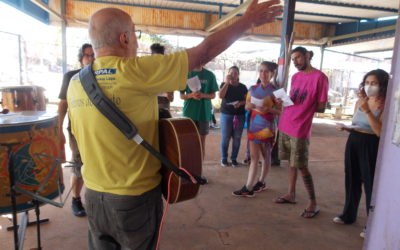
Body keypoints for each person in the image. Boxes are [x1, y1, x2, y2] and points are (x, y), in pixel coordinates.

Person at [67, 2, 282, 249]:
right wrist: (247, 22)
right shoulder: (137, 71)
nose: (137, 42)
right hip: (133, 197)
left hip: (93, 195)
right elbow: (204, 51)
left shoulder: (76, 83)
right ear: (125, 38)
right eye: (135, 34)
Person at [333, 69, 389, 238]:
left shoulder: (385, 104)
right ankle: (348, 214)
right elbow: (356, 123)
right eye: (367, 83)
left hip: (371, 144)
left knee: (370, 182)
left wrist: (367, 111)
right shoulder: (361, 101)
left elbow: (380, 131)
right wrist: (347, 127)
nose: (369, 86)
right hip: (354, 141)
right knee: (352, 178)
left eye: (374, 83)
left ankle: (370, 224)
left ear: (382, 85)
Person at [274, 47, 328, 219]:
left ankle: (313, 203)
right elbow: (292, 99)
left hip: (301, 127)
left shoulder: (320, 77)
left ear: (307, 56)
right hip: (286, 123)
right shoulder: (295, 77)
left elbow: (321, 107)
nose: (295, 62)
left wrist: (305, 105)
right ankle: (291, 194)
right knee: (291, 163)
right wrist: (283, 100)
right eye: (293, 59)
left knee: (302, 165)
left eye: (298, 57)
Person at [233, 61, 281, 197]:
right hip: (253, 125)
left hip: (267, 127)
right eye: (261, 71)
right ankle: (251, 186)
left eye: (266, 71)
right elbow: (247, 104)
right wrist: (247, 106)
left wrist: (269, 109)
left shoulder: (277, 91)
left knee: (265, 156)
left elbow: (283, 111)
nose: (263, 74)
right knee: (254, 157)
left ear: (272, 73)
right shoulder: (252, 88)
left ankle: (259, 183)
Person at [57, 43, 94, 217]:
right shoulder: (71, 77)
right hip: (77, 129)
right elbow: (63, 104)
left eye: (94, 55)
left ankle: (95, 199)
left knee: (96, 164)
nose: (91, 58)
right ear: (81, 59)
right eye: (87, 55)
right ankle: (76, 199)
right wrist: (58, 130)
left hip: (98, 130)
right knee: (79, 165)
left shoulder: (103, 75)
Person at [180, 65, 219, 159]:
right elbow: (181, 96)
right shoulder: (186, 74)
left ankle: (199, 170)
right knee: (188, 142)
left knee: (201, 143)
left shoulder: (210, 75)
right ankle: (188, 169)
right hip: (189, 113)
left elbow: (213, 95)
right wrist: (191, 95)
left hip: (204, 113)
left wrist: (202, 95)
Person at [219, 66, 248, 167]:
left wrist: (240, 103)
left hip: (239, 115)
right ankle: (224, 158)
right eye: (231, 73)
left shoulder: (243, 87)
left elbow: (247, 100)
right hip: (226, 115)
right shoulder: (224, 84)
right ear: (228, 73)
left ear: (238, 75)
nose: (233, 75)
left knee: (237, 137)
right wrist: (227, 83)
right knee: (225, 137)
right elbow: (220, 96)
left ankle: (234, 159)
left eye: (235, 73)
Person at [150, 43, 174, 113]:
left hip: (164, 110)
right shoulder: (147, 71)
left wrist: (169, 95)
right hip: (150, 109)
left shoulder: (169, 73)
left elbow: (171, 99)